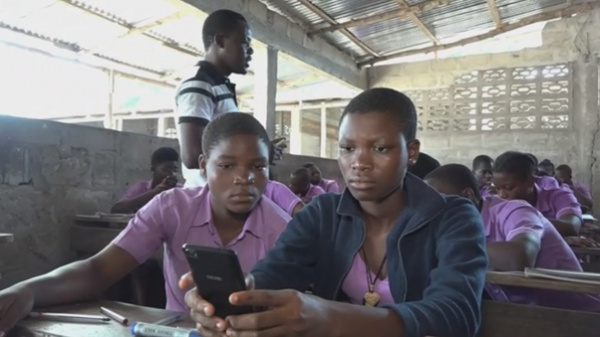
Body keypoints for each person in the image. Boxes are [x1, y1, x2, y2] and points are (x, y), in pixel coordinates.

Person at [181, 88, 487, 337]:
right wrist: (237, 298)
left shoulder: (453, 217)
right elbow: (274, 273)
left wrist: (331, 317)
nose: (359, 162)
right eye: (347, 148)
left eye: (380, 148)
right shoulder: (324, 213)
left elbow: (456, 312)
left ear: (413, 151)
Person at [0, 113, 292, 335]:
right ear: (203, 165)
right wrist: (28, 290)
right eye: (227, 166)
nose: (245, 178)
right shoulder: (173, 208)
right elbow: (99, 270)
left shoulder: (285, 229)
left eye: (258, 166)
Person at [424, 164, 600, 312]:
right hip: (521, 317)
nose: (432, 211)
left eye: (440, 201)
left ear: (468, 195)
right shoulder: (456, 226)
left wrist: (448, 247)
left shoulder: (514, 210)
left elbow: (519, 256)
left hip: (577, 318)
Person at [175, 9, 283, 187]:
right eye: (244, 43)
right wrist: (256, 153)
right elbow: (192, 155)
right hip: (206, 197)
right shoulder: (199, 84)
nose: (250, 52)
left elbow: (220, 143)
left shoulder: (217, 85)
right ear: (220, 40)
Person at [492, 151, 582, 237]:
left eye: (508, 188)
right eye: (497, 188)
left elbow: (571, 226)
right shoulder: (495, 204)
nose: (501, 194)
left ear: (530, 181)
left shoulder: (559, 197)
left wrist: (519, 220)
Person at [111, 147, 180, 214]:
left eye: (175, 170)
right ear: (153, 169)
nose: (172, 174)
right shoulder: (141, 187)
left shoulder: (180, 190)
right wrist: (154, 192)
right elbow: (117, 209)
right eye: (166, 170)